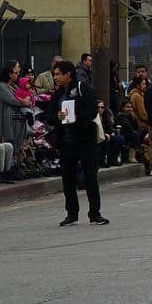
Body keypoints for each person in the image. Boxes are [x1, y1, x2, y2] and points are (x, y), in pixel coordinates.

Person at [51, 61, 107, 227]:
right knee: (68, 179)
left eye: (58, 74)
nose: (55, 77)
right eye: (54, 74)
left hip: (85, 140)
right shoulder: (57, 95)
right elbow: (49, 117)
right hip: (66, 142)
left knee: (90, 177)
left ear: (68, 74)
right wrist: (58, 117)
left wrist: (76, 116)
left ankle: (95, 214)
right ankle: (72, 214)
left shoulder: (84, 88)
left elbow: (92, 111)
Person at [0, 60, 31, 181]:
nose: (17, 75)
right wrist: (23, 101)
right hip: (9, 121)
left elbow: (24, 96)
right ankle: (6, 170)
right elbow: (12, 100)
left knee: (17, 146)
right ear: (9, 73)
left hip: (19, 121)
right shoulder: (1, 86)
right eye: (15, 72)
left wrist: (26, 99)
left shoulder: (14, 86)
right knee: (9, 144)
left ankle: (14, 167)